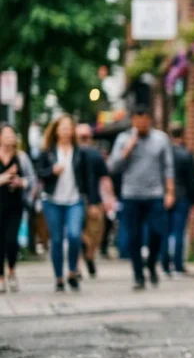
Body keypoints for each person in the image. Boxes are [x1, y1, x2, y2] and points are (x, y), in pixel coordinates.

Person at [109, 107, 175, 290]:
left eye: (144, 121)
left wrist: (170, 191)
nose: (141, 125)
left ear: (150, 120)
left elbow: (168, 167)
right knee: (134, 237)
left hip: (154, 194)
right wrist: (127, 150)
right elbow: (113, 166)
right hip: (131, 195)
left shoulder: (161, 139)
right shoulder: (123, 139)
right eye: (138, 121)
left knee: (157, 232)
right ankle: (138, 275)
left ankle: (152, 263)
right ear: (133, 121)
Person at [37, 115, 98, 292]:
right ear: (56, 130)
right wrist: (52, 171)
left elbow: (89, 178)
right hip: (52, 201)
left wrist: (93, 202)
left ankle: (72, 271)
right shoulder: (48, 151)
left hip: (75, 200)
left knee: (74, 235)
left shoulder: (80, 152)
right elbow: (39, 173)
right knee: (56, 240)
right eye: (62, 127)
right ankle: (58, 277)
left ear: (72, 131)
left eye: (68, 127)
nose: (65, 130)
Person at [75, 124, 114, 278]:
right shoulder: (71, 155)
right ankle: (76, 266)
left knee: (94, 235)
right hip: (74, 199)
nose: (84, 140)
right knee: (76, 234)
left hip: (94, 200)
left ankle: (89, 257)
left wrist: (109, 199)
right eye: (81, 137)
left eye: (86, 137)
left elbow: (105, 178)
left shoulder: (95, 155)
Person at [0, 124, 33, 293]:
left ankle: (12, 270)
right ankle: (1, 277)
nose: (9, 138)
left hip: (15, 206)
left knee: (11, 240)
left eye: (12, 135)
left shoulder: (22, 158)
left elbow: (31, 181)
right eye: (6, 135)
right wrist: (4, 178)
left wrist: (21, 182)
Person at [162, 124, 194, 277]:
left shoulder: (165, 153)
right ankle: (177, 265)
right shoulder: (186, 154)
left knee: (165, 230)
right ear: (183, 135)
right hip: (182, 196)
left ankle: (164, 263)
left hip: (165, 196)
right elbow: (192, 181)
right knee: (179, 232)